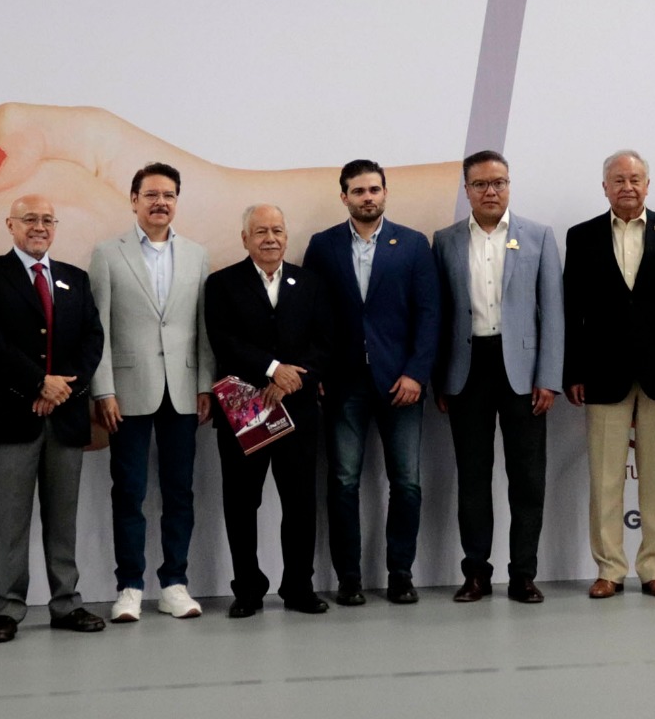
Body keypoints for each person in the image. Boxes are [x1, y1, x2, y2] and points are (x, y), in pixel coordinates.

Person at [563, 150, 655, 600]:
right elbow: (572, 311)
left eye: (635, 179)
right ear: (605, 187)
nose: (627, 186)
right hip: (602, 372)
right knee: (605, 477)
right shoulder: (582, 235)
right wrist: (573, 371)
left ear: (648, 185)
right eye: (619, 180)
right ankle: (609, 568)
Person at [0, 195, 107, 642]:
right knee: (12, 522)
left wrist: (61, 389)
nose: (40, 226)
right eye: (30, 219)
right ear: (10, 224)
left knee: (63, 520)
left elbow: (92, 339)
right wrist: (38, 384)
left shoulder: (75, 278)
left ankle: (67, 603)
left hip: (65, 417)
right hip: (13, 414)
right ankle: (7, 609)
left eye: (48, 219)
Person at [304, 159, 440, 605]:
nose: (368, 197)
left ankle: (400, 574)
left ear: (385, 193)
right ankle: (349, 578)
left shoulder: (413, 244)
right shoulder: (322, 245)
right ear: (344, 196)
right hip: (343, 383)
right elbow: (311, 315)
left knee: (407, 483)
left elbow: (429, 314)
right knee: (343, 482)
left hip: (401, 383)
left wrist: (417, 373)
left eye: (374, 189)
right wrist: (317, 373)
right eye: (359, 191)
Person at [433, 151, 563, 603]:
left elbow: (553, 313)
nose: (491, 191)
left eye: (499, 182)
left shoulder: (538, 236)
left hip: (523, 373)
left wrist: (548, 377)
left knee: (527, 478)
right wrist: (440, 379)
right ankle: (476, 573)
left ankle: (523, 573)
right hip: (466, 370)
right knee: (473, 478)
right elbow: (439, 314)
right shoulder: (445, 240)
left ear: (509, 185)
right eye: (481, 184)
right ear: (466, 189)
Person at [89, 163, 214, 622]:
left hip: (183, 390)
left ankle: (174, 583)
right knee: (129, 491)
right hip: (126, 391)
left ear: (177, 201)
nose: (161, 202)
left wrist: (205, 384)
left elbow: (203, 327)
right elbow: (98, 329)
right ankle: (130, 586)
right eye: (151, 194)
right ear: (134, 200)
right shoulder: (107, 253)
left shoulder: (197, 254)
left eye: (169, 195)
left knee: (180, 492)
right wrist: (102, 389)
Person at [204, 204, 333, 617]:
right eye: (260, 231)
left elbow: (325, 343)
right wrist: (273, 369)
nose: (270, 238)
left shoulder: (310, 283)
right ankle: (247, 590)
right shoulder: (222, 284)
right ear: (245, 238)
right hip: (244, 408)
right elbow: (224, 342)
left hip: (298, 409)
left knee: (300, 503)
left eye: (277, 230)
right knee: (242, 503)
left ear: (286, 236)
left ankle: (299, 587)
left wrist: (293, 378)